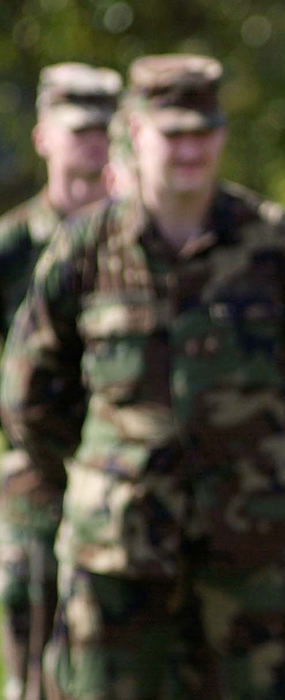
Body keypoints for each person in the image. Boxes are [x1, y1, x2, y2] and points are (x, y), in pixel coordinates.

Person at [0, 54, 285, 698]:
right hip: (118, 562)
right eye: (173, 133)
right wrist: (104, 471)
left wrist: (259, 448)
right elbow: (30, 392)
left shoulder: (274, 244)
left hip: (252, 555)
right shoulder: (85, 248)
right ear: (135, 132)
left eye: (204, 131)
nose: (190, 149)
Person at [0, 60, 119, 700]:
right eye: (77, 128)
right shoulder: (13, 246)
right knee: (34, 678)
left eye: (104, 129)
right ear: (43, 134)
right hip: (36, 493)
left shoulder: (139, 241)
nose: (92, 143)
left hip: (129, 494)